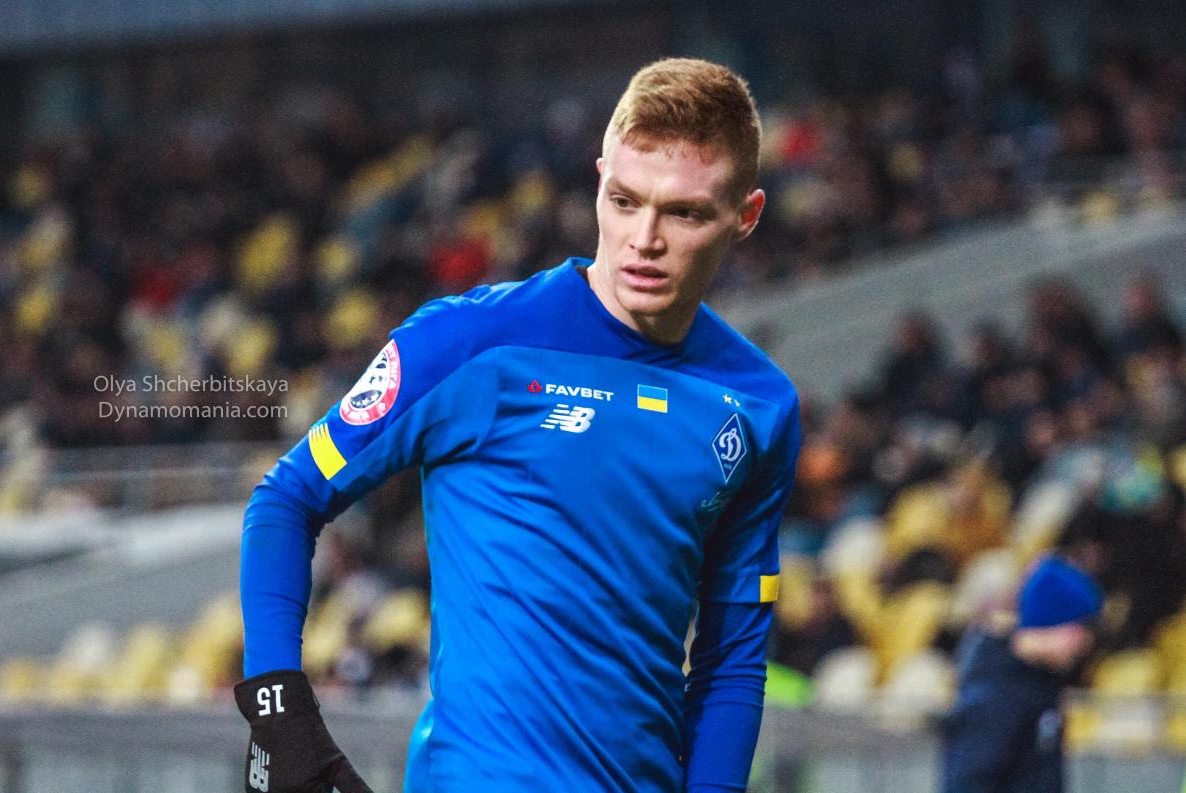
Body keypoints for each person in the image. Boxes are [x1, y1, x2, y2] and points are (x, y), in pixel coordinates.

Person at [234, 57, 803, 793]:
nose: (644, 238)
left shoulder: (758, 403)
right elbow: (286, 499)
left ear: (745, 215)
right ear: (599, 180)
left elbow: (731, 659)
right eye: (624, 200)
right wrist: (281, 721)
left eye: (685, 213)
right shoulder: (471, 343)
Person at [941, 555, 1103, 793]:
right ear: (1052, 622)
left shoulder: (1040, 686)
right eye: (1080, 629)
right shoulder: (995, 696)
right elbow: (967, 783)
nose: (1084, 643)